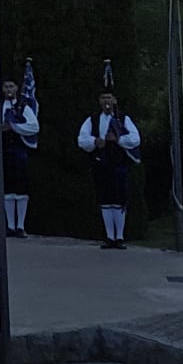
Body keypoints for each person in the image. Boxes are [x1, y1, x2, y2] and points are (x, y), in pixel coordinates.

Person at [77, 90, 140, 249]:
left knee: (119, 200)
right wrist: (94, 141)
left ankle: (119, 236)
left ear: (114, 100)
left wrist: (119, 139)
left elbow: (135, 138)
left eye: (109, 98)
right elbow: (82, 139)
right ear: (99, 100)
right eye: (104, 97)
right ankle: (109, 236)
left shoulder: (123, 119)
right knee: (105, 200)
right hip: (101, 164)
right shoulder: (93, 120)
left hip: (119, 165)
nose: (107, 101)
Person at [0, 79, 39, 239]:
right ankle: (9, 225)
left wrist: (14, 127)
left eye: (11, 86)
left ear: (16, 88)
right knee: (6, 189)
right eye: (6, 86)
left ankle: (20, 225)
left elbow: (34, 127)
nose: (9, 89)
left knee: (21, 189)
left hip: (19, 152)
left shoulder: (24, 107)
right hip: (3, 153)